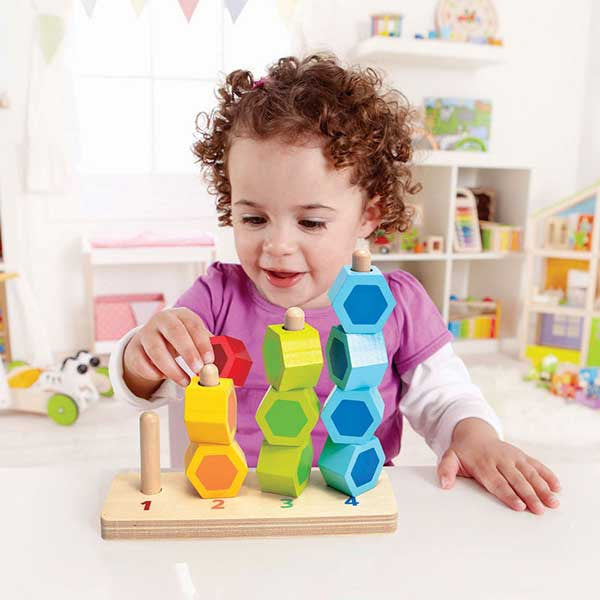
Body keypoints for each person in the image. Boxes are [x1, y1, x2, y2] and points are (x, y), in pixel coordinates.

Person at [110, 54, 560, 514]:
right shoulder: (216, 296)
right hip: (229, 508)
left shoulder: (398, 304)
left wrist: (475, 436)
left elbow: (445, 398)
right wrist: (143, 354)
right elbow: (141, 383)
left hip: (352, 508)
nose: (278, 245)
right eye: (253, 218)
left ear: (369, 215)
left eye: (310, 221)